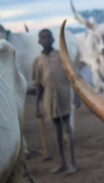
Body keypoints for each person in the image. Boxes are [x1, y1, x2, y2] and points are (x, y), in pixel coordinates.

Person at [33, 29, 79, 175]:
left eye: (48, 37)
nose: (45, 39)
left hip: (64, 98)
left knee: (68, 131)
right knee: (57, 133)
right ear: (39, 41)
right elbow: (39, 86)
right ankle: (63, 163)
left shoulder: (61, 56)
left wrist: (77, 95)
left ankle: (73, 163)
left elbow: (72, 77)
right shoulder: (37, 62)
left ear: (53, 40)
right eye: (43, 37)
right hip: (49, 102)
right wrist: (36, 105)